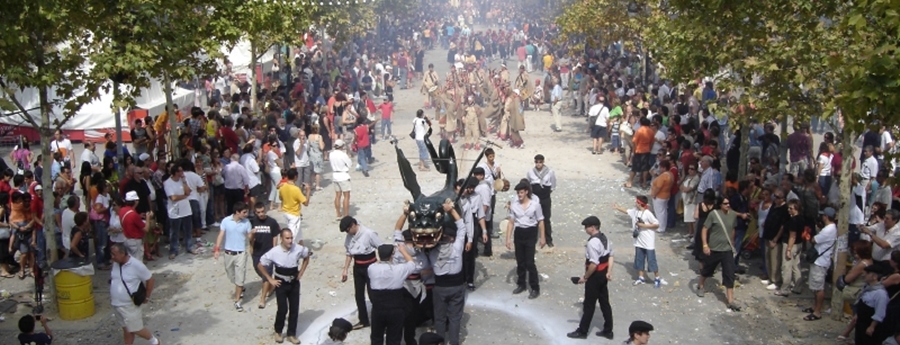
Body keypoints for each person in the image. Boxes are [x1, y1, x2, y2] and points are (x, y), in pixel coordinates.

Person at [257, 229, 311, 344]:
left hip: (294, 281)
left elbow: (307, 256)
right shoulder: (274, 252)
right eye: (287, 238)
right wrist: (270, 279)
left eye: (291, 238)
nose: (290, 240)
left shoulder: (298, 248)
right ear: (282, 238)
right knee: (282, 309)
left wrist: (301, 272)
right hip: (280, 282)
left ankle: (292, 334)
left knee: (294, 308)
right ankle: (278, 331)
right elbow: (260, 264)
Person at [567, 216, 615, 340]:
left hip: (595, 276)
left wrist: (585, 277)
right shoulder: (605, 238)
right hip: (603, 274)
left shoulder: (593, 242)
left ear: (593, 227)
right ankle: (608, 330)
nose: (585, 229)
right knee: (604, 302)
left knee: (589, 304)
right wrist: (609, 271)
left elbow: (594, 264)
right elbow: (611, 255)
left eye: (586, 227)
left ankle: (582, 331)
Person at [426, 201, 466, 345]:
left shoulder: (432, 251)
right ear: (452, 238)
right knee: (455, 318)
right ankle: (454, 342)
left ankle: (440, 342)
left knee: (440, 318)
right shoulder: (457, 247)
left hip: (440, 288)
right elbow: (462, 227)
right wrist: (451, 210)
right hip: (456, 286)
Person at [697, 196, 742, 312]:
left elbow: (733, 228)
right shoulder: (714, 215)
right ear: (720, 205)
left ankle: (730, 301)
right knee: (707, 270)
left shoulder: (732, 215)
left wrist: (732, 242)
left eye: (729, 203)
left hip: (726, 249)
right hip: (714, 249)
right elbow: (704, 229)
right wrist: (705, 245)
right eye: (725, 203)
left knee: (729, 273)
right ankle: (701, 285)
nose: (728, 205)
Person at [109, 243, 159, 345]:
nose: (112, 257)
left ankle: (155, 342)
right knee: (127, 329)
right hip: (117, 304)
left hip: (129, 305)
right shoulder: (116, 264)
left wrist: (147, 297)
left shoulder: (136, 265)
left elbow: (150, 279)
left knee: (136, 329)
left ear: (123, 253)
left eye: (114, 254)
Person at [368, 243, 416, 345]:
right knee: (394, 339)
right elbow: (411, 263)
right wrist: (403, 251)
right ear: (392, 255)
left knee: (376, 338)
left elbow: (377, 263)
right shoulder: (399, 269)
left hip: (378, 309)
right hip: (395, 309)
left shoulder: (371, 268)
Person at [613, 197, 667, 288]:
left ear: (640, 203)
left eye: (636, 202)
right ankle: (641, 277)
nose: (635, 203)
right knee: (639, 259)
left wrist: (644, 225)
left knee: (651, 260)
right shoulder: (635, 211)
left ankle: (657, 277)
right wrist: (617, 207)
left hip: (648, 241)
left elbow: (656, 224)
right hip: (638, 241)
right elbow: (627, 211)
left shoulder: (648, 213)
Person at [340, 216, 382, 329]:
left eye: (348, 230)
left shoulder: (369, 233)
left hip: (370, 266)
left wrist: (381, 264)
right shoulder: (349, 237)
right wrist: (345, 270)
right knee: (359, 295)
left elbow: (381, 248)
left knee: (373, 295)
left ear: (353, 225)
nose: (347, 233)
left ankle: (381, 320)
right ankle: (363, 320)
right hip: (358, 266)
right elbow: (349, 254)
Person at [506, 182, 546, 299]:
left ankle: (535, 287)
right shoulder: (514, 205)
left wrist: (542, 237)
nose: (519, 195)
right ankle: (521, 283)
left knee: (529, 262)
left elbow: (541, 221)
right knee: (520, 261)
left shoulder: (535, 205)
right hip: (519, 232)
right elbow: (511, 222)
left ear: (526, 192)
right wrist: (508, 238)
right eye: (518, 193)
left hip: (531, 232)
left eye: (521, 192)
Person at [214, 201, 251, 312]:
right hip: (228, 253)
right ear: (237, 212)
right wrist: (217, 249)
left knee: (240, 276)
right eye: (244, 212)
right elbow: (221, 235)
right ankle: (240, 287)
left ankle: (237, 301)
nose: (246, 214)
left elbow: (249, 236)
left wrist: (253, 235)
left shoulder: (247, 222)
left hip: (241, 253)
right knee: (230, 274)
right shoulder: (226, 221)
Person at [803, 207, 836, 321]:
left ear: (826, 217)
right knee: (815, 286)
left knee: (819, 287)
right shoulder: (828, 228)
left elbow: (814, 240)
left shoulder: (829, 230)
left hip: (820, 262)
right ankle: (814, 307)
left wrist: (808, 236)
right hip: (819, 260)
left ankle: (817, 312)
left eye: (823, 215)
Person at [250, 202, 279, 310]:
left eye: (262, 212)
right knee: (259, 271)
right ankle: (272, 286)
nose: (261, 214)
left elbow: (275, 235)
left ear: (265, 210)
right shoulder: (252, 222)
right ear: (255, 212)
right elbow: (250, 237)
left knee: (265, 275)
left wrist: (274, 248)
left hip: (268, 252)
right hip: (257, 251)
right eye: (258, 212)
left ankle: (262, 299)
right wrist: (251, 245)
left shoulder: (272, 222)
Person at [164, 164, 196, 259]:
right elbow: (173, 197)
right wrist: (184, 197)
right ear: (176, 172)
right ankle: (173, 249)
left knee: (188, 230)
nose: (183, 173)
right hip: (175, 211)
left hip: (186, 209)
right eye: (180, 171)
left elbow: (188, 192)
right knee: (174, 232)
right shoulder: (168, 183)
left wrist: (184, 181)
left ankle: (189, 246)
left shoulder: (182, 181)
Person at [854, 263, 890, 345]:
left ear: (874, 276)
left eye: (867, 274)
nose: (864, 275)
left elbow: (880, 312)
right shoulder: (867, 288)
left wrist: (872, 326)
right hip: (861, 323)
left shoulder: (880, 294)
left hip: (869, 324)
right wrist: (857, 315)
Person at [526, 154, 556, 247]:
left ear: (543, 162)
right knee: (534, 219)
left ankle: (548, 239)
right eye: (537, 162)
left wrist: (546, 193)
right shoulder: (531, 172)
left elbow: (553, 185)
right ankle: (533, 239)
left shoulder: (550, 172)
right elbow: (528, 184)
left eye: (540, 162)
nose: (538, 164)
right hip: (535, 198)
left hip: (545, 198)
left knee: (546, 219)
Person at [279, 168, 308, 244]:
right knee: (291, 237)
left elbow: (280, 198)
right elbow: (306, 203)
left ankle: (302, 250)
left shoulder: (282, 186)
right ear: (295, 177)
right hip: (294, 215)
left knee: (299, 235)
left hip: (286, 212)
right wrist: (308, 191)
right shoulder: (296, 189)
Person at [330, 140, 353, 219]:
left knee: (337, 196)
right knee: (346, 196)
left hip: (335, 175)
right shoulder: (343, 155)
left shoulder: (331, 154)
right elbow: (350, 164)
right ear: (341, 146)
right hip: (343, 175)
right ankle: (346, 215)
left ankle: (338, 214)